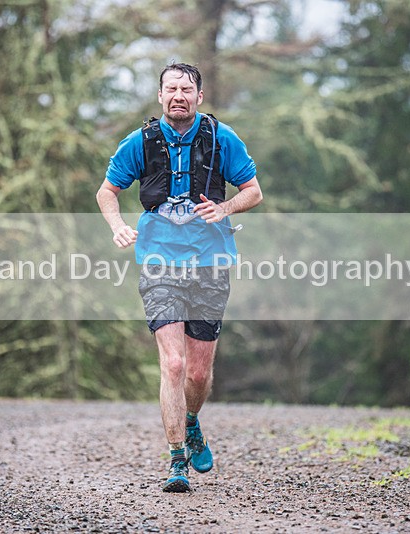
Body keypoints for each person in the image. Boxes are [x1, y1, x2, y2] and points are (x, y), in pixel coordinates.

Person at [96, 62, 263, 492]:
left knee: (197, 375)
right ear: (160, 95)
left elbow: (253, 191)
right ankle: (176, 462)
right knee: (172, 363)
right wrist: (117, 226)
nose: (178, 96)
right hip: (158, 261)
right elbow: (107, 191)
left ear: (198, 97)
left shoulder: (221, 138)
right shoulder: (142, 141)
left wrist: (223, 208)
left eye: (186, 89)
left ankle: (192, 423)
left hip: (211, 263)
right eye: (171, 88)